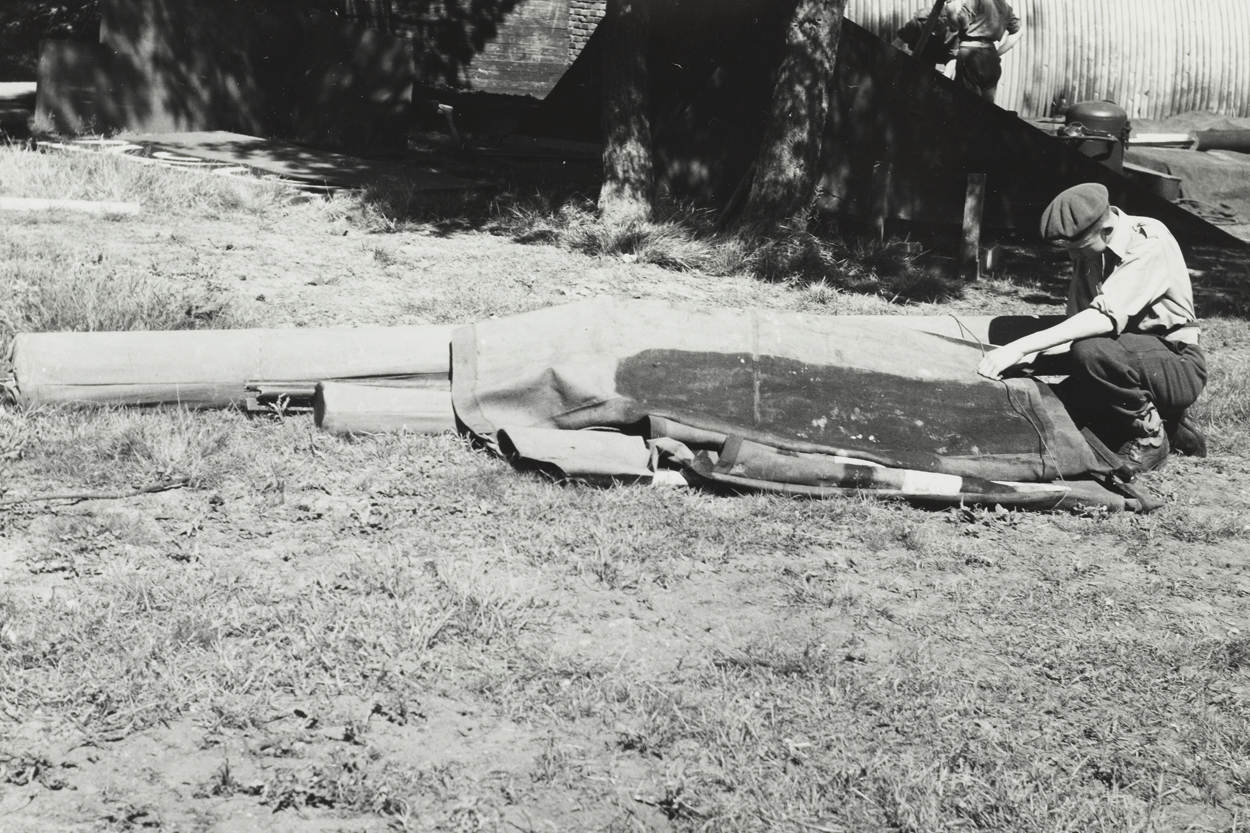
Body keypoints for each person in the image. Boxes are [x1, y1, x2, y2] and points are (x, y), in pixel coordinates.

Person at [976, 183, 1207, 478]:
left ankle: (1150, 439)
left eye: (1077, 248)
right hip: (1126, 359)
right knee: (1055, 406)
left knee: (1091, 352)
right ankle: (1171, 425)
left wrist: (1021, 347)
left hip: (1176, 362)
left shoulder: (1149, 240)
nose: (1073, 256)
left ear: (1106, 230)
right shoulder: (1090, 254)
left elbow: (1102, 319)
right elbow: (1077, 326)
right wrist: (1033, 359)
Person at [946, 0, 1021, 104]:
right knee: (987, 105)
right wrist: (998, 53)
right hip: (991, 57)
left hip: (971, 54)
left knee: (965, 103)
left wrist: (950, 7)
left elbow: (960, 25)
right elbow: (1018, 32)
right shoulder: (1006, 7)